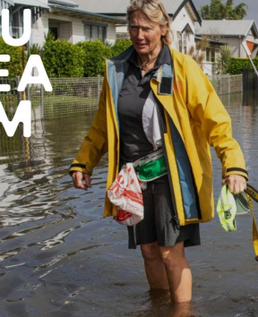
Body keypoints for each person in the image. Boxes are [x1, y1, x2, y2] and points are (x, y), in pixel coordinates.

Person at [69, 0, 248, 304]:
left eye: (147, 28)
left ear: (163, 29)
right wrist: (83, 162)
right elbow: (102, 125)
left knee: (168, 253)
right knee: (149, 250)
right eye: (134, 27)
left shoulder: (182, 68)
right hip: (133, 178)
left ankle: (182, 313)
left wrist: (233, 166)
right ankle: (159, 307)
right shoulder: (116, 71)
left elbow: (215, 120)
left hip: (172, 176)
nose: (139, 34)